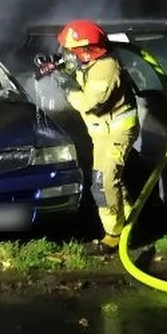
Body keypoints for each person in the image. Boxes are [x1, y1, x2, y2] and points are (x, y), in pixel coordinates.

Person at [56, 20, 140, 249]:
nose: (67, 54)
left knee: (105, 182)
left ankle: (113, 235)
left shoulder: (106, 69)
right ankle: (132, 225)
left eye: (71, 51)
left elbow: (90, 104)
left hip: (117, 132)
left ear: (86, 50)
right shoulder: (89, 62)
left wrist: (67, 87)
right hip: (102, 133)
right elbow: (77, 71)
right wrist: (57, 67)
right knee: (111, 180)